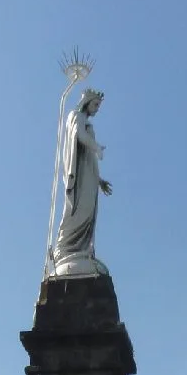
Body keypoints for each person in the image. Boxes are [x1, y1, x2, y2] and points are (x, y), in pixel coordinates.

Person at [54, 88, 112, 274]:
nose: (96, 109)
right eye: (95, 104)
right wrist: (96, 147)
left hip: (88, 176)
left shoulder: (83, 119)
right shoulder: (76, 115)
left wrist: (99, 180)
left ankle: (82, 250)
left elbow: (88, 160)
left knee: (88, 212)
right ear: (87, 102)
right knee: (79, 210)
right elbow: (79, 134)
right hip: (79, 179)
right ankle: (66, 249)